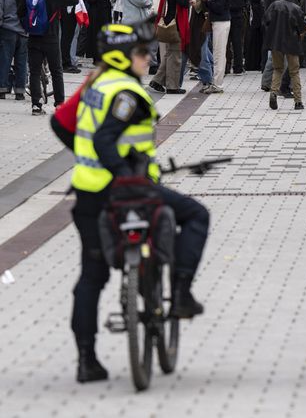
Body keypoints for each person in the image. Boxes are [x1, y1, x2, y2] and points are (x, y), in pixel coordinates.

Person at [51, 21, 210, 384]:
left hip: (88, 193)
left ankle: (86, 359)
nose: (148, 57)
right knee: (196, 214)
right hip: (128, 191)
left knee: (92, 275)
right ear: (124, 57)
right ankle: (181, 292)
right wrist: (125, 173)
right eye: (142, 52)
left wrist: (83, 153)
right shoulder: (127, 93)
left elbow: (60, 123)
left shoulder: (94, 84)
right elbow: (108, 139)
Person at [27, 0, 71, 115]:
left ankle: (36, 105)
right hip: (51, 36)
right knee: (56, 71)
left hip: (33, 37)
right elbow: (74, 0)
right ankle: (59, 104)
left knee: (34, 71)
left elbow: (21, 12)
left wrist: (29, 27)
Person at [150, 0, 190, 94]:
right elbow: (183, 4)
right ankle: (172, 87)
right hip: (174, 24)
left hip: (172, 22)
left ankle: (156, 81)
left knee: (170, 55)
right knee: (175, 56)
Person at [266, 0, 305, 110]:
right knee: (294, 72)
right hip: (292, 43)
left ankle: (273, 92)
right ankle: (298, 101)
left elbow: (266, 20)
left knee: (278, 69)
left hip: (276, 42)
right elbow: (302, 27)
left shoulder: (275, 5)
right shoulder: (297, 9)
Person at [0, 0, 28, 100]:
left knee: (5, 59)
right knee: (21, 61)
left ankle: (2, 89)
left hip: (7, 30)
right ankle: (20, 91)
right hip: (23, 31)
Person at [205, 0, 231, 93]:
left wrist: (206, 0)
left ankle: (218, 84)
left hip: (222, 22)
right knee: (216, 53)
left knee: (219, 54)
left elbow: (219, 8)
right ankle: (216, 82)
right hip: (217, 22)